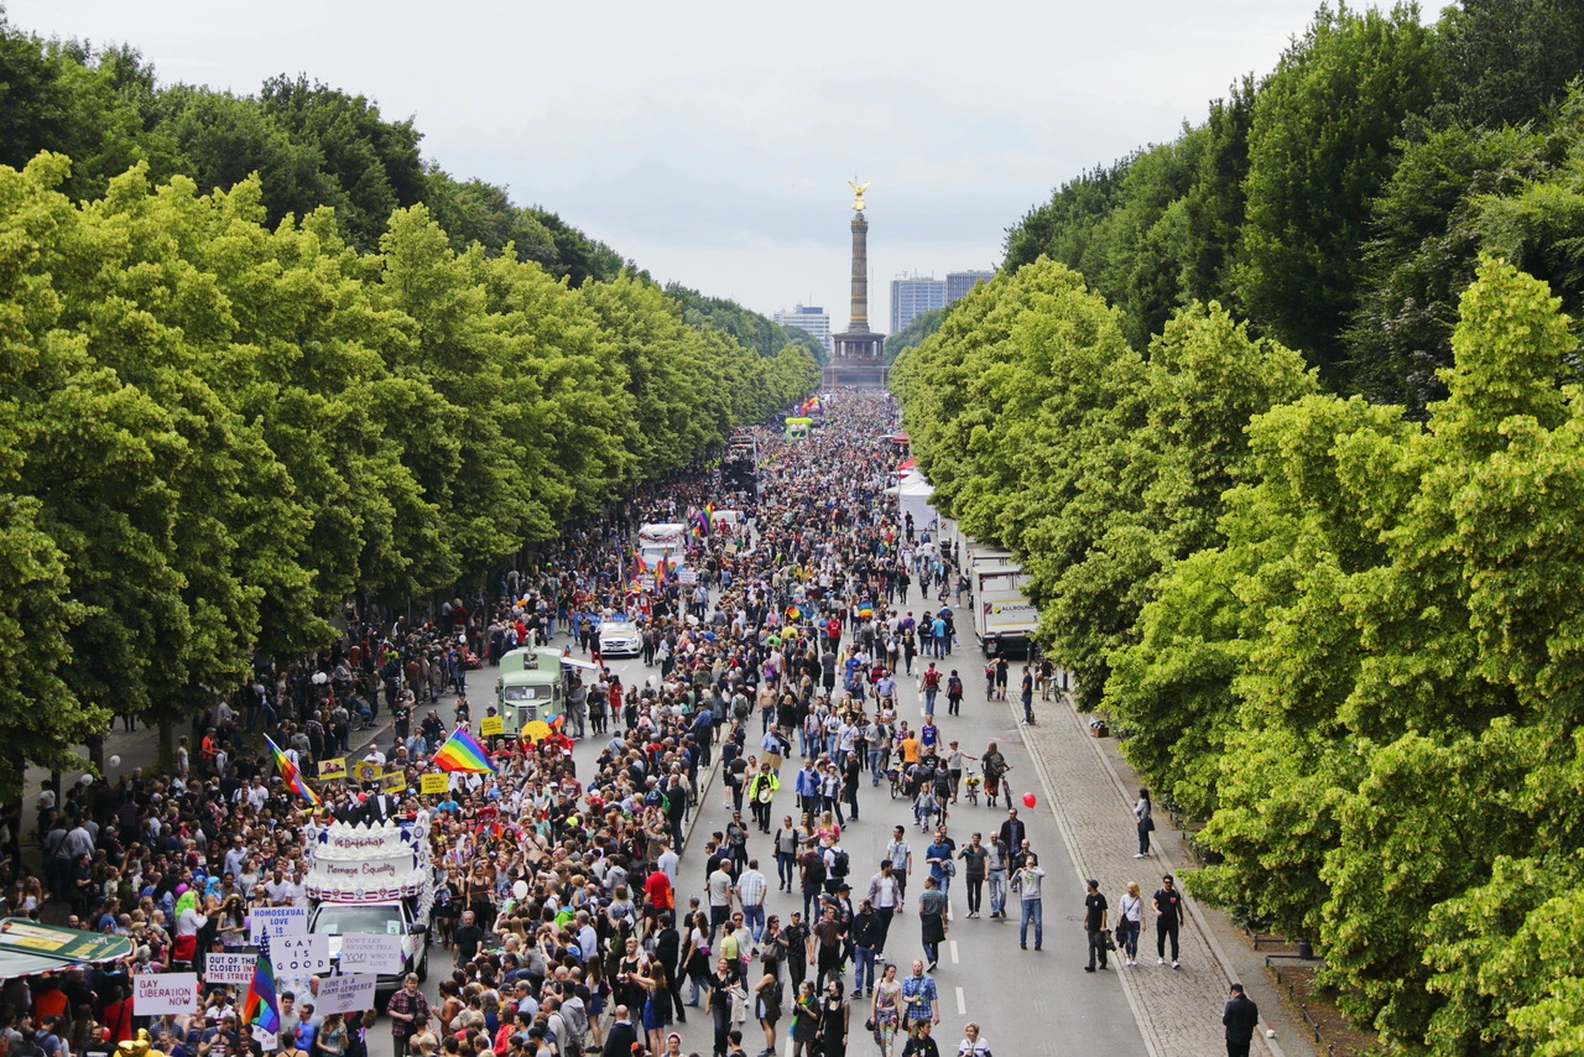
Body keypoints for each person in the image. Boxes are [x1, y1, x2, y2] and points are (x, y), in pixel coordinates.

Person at [385, 974, 430, 1057]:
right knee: (398, 1054)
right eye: (410, 983)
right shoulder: (398, 995)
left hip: (414, 1032)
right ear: (406, 983)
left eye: (414, 983)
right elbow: (389, 1010)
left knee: (412, 1054)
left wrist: (431, 1029)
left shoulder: (421, 997)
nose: (413, 985)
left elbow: (427, 1014)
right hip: (399, 1030)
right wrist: (403, 1016)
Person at [870, 963, 904, 1057]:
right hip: (880, 1014)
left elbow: (898, 1002)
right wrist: (873, 1016)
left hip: (892, 1014)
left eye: (894, 972)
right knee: (882, 1038)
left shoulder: (897, 985)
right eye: (890, 972)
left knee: (889, 1039)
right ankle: (884, 1054)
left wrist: (900, 1018)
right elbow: (874, 1000)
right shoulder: (879, 983)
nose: (892, 974)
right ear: (886, 972)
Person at [1014, 853, 1045, 951]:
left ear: (1034, 861)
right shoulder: (1022, 872)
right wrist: (1017, 872)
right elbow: (1012, 882)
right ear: (1026, 861)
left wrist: (1030, 870)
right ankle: (1022, 942)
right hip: (1026, 899)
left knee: (1038, 922)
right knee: (1024, 922)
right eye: (1029, 858)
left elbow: (1042, 874)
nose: (1030, 859)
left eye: (1032, 858)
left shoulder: (1037, 870)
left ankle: (1038, 943)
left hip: (1036, 899)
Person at [917, 877, 948, 971]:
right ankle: (935, 960)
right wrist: (945, 923)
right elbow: (943, 911)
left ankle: (931, 959)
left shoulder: (924, 894)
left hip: (927, 918)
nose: (924, 883)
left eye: (925, 881)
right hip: (937, 919)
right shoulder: (941, 895)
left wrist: (923, 918)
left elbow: (921, 910)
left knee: (925, 941)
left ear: (930, 883)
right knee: (935, 942)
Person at [899, 960, 938, 1033]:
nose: (917, 968)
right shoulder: (907, 980)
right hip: (912, 1014)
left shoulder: (929, 980)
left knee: (924, 1038)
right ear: (912, 968)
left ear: (922, 967)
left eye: (919, 966)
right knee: (912, 1038)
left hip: (925, 1013)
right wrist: (911, 999)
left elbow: (933, 997)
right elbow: (904, 996)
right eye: (915, 966)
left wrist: (936, 1015)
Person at [814, 978, 849, 1057]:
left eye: (832, 986)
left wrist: (845, 1035)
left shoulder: (844, 1004)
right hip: (828, 1032)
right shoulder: (828, 1000)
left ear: (838, 989)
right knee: (828, 1053)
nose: (830, 988)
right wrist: (819, 1029)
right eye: (830, 986)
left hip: (839, 1034)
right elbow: (824, 1015)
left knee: (838, 1054)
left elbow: (846, 1020)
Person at [1154, 874, 1183, 969]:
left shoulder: (1175, 894)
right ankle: (1161, 956)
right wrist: (1156, 910)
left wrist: (1181, 918)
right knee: (1161, 939)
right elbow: (1153, 903)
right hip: (1162, 921)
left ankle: (1174, 959)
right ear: (1163, 883)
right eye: (1166, 883)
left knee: (1174, 940)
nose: (1168, 884)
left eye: (1170, 883)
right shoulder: (1159, 893)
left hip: (1173, 921)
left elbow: (1179, 906)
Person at [1223, 983, 1260, 1057]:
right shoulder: (1252, 1005)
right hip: (1245, 1038)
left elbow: (1225, 1021)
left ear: (1234, 992)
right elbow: (1254, 1021)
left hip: (1233, 1038)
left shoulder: (1231, 1004)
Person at [1117, 880, 1146, 966]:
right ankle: (1128, 956)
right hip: (1127, 922)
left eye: (1130, 888)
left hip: (1135, 922)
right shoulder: (1124, 898)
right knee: (1128, 940)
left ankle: (1133, 957)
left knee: (1134, 941)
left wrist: (1144, 923)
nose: (1128, 889)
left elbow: (1142, 911)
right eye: (1128, 887)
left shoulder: (1139, 899)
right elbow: (1120, 910)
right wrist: (1119, 921)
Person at [958, 833, 988, 918]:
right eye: (974, 838)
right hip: (970, 873)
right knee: (970, 892)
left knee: (978, 892)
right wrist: (963, 849)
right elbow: (959, 857)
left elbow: (986, 861)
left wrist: (986, 873)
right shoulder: (968, 848)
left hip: (979, 874)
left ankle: (977, 910)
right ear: (972, 839)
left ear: (979, 839)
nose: (975, 840)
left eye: (977, 838)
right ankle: (970, 910)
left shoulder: (983, 850)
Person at [1083, 878, 1109, 972]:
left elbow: (1104, 912)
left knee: (1099, 944)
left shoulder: (1100, 898)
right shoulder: (1089, 897)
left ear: (1092, 887)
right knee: (1091, 945)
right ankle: (1092, 965)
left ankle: (1103, 960)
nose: (1087, 887)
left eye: (1088, 885)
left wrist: (1103, 925)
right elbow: (1088, 910)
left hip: (1099, 926)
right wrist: (1085, 921)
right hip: (1091, 925)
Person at [1134, 788, 1154, 858]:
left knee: (1142, 837)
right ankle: (1146, 851)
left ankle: (1141, 852)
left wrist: (1135, 808)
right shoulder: (1146, 801)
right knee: (1146, 837)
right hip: (1145, 820)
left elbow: (1136, 810)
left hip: (1142, 820)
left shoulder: (1143, 801)